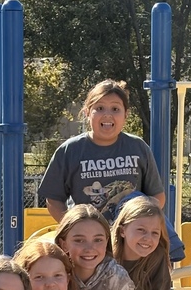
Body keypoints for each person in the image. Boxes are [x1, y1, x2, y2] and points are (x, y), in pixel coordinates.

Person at [38, 79, 165, 223]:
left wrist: (139, 221)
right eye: (99, 108)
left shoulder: (138, 147)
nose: (107, 115)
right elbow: (53, 199)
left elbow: (157, 196)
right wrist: (73, 228)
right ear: (87, 112)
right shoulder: (70, 150)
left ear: (126, 115)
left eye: (115, 109)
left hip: (128, 238)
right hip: (87, 240)